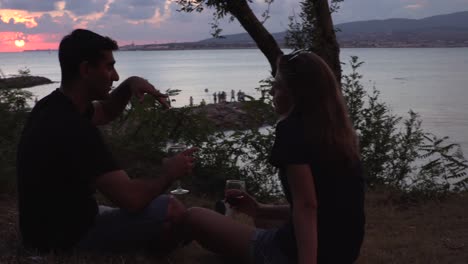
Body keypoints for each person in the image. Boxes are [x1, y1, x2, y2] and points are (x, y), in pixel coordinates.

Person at [16, 29, 196, 254]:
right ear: (85, 70)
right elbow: (131, 199)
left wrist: (130, 84)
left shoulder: (52, 106)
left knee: (162, 215)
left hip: (42, 230)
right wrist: (169, 173)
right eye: (109, 67)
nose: (115, 76)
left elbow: (106, 111)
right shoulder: (74, 128)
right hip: (67, 238)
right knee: (171, 209)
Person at [182, 51, 365, 264]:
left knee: (194, 216)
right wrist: (260, 209)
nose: (271, 91)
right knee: (262, 219)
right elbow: (329, 207)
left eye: (277, 85)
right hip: (345, 252)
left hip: (302, 254)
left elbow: (307, 206)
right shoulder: (337, 132)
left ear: (297, 92)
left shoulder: (291, 130)